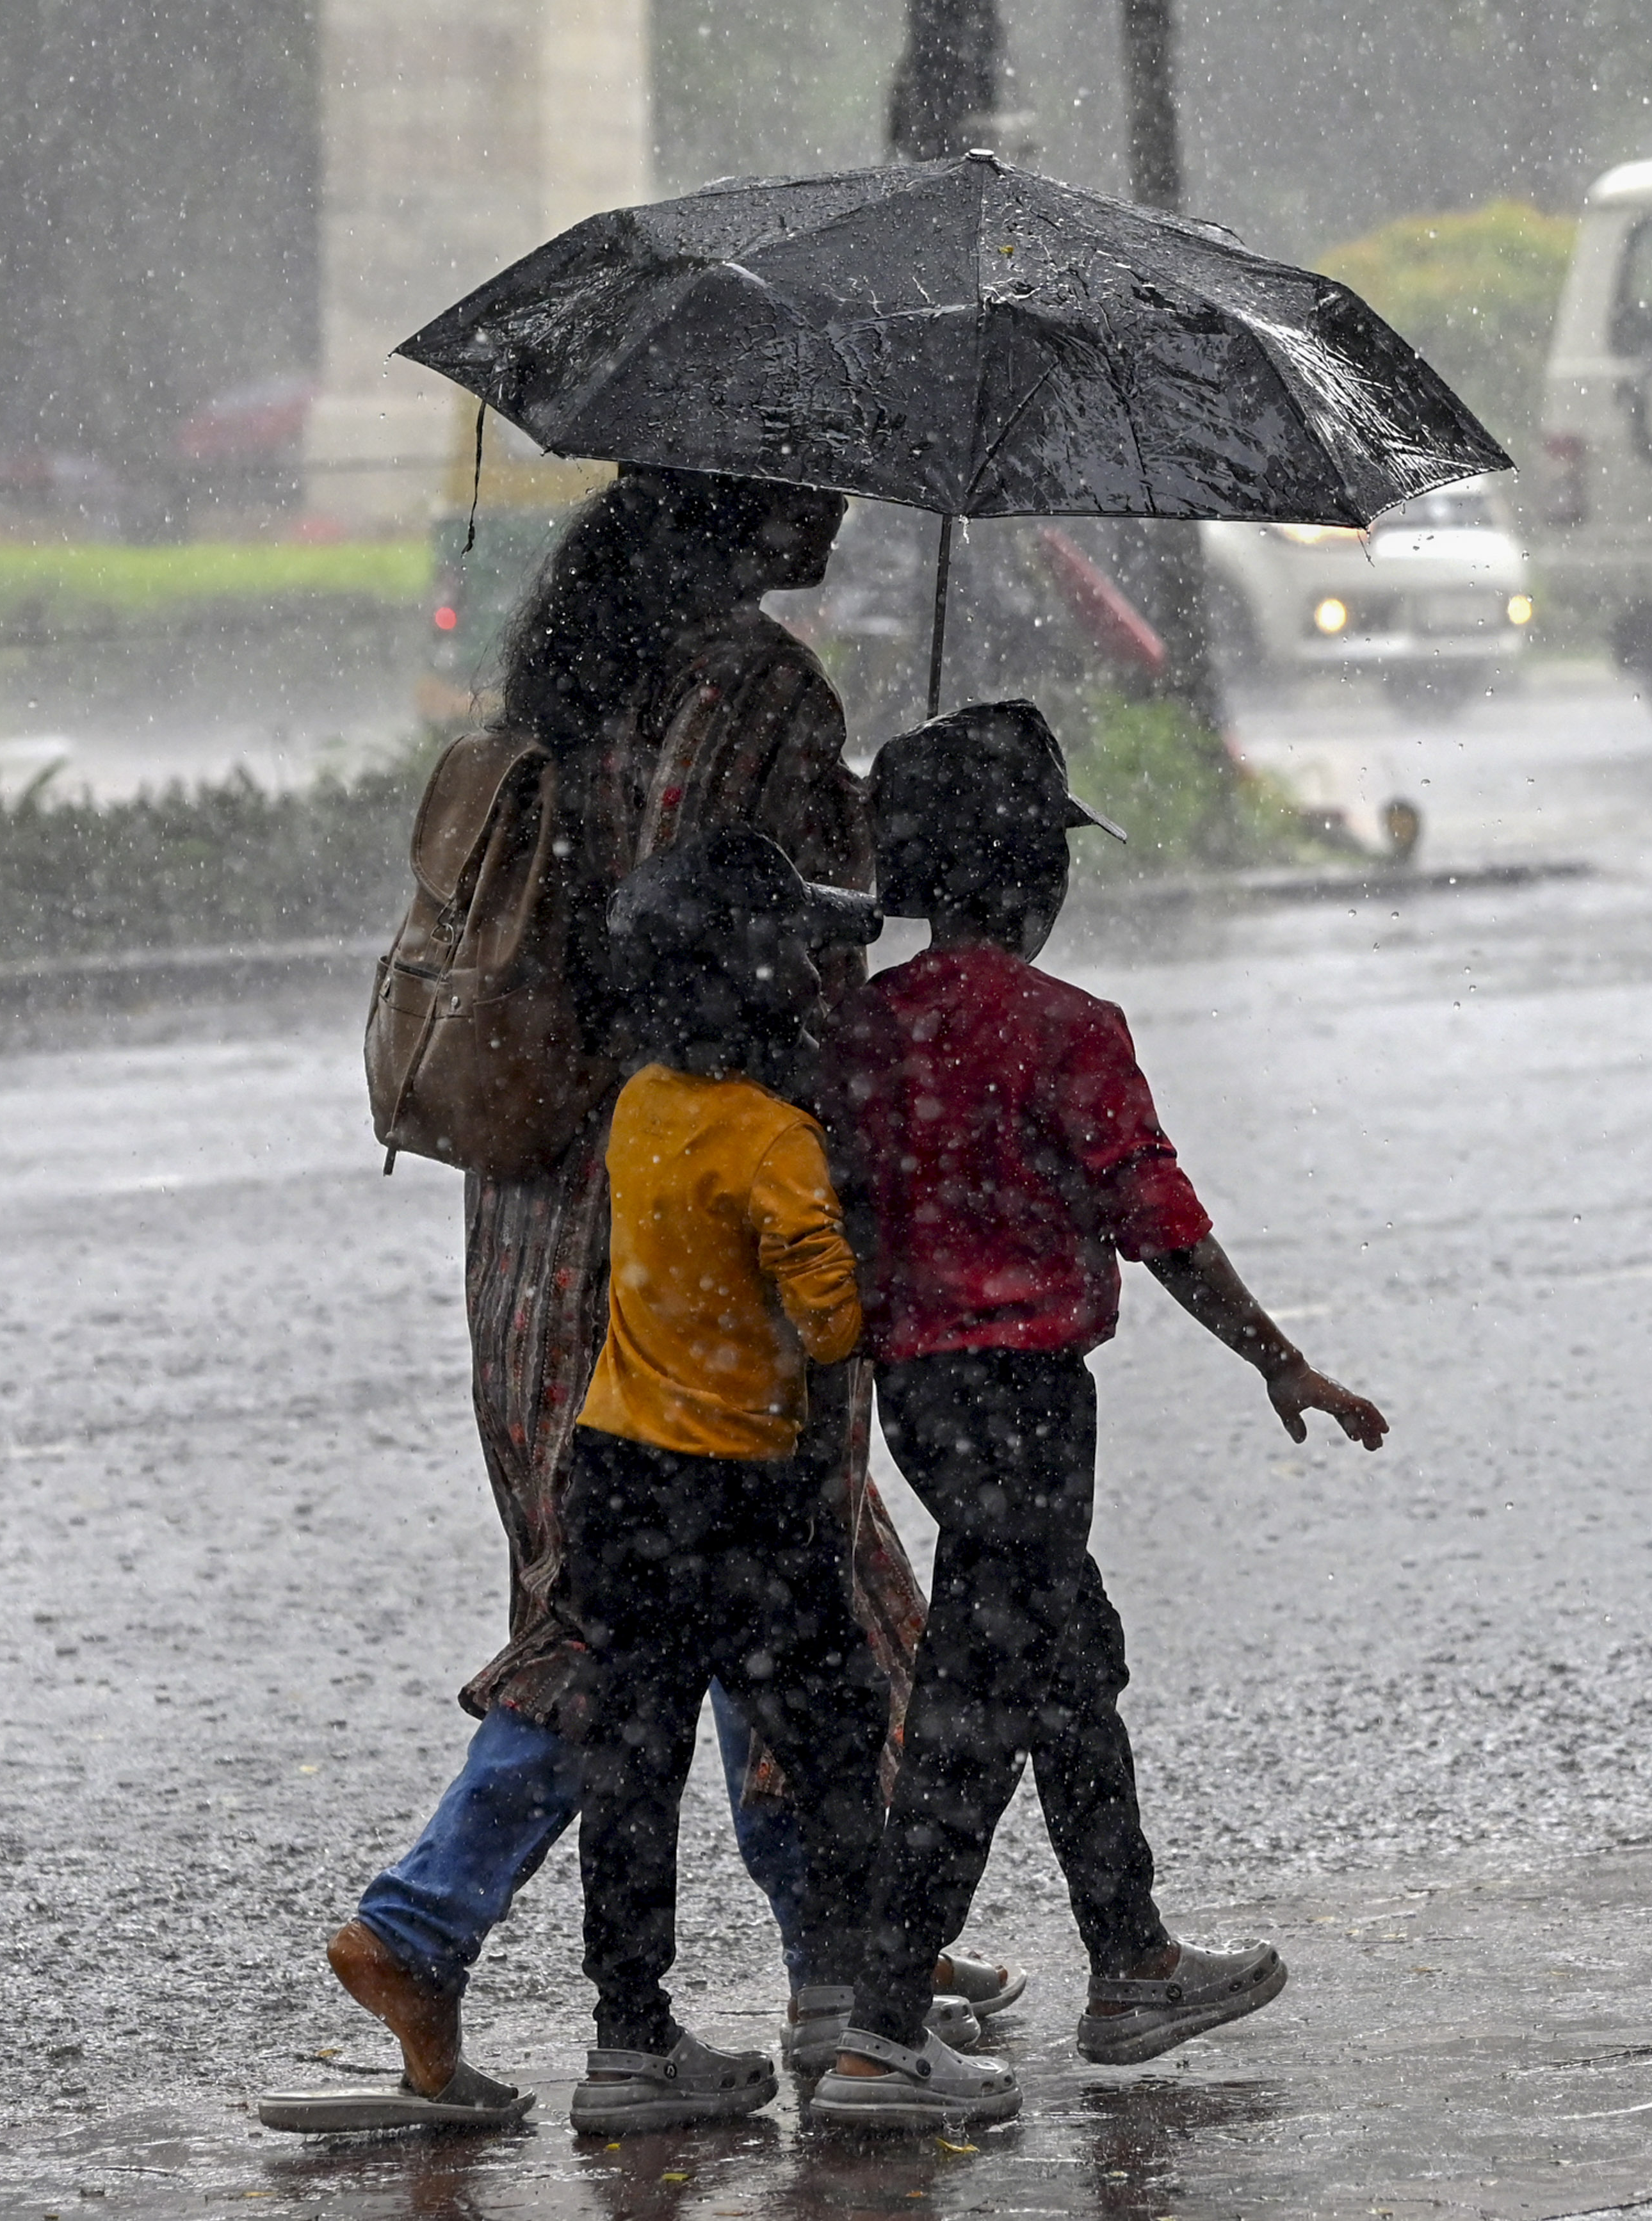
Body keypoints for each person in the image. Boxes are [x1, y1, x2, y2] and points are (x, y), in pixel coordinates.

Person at [278, 470, 1010, 2136]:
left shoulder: (573, 675)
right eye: (803, 473)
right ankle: (477, 1934)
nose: (837, 499)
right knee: (720, 1594)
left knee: (701, 1591)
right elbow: (780, 954)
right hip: (687, 1216)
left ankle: (868, 1953)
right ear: (735, 498)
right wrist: (889, 856)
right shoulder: (756, 686)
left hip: (538, 1209)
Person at [811, 701, 1390, 2131]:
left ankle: (1130, 1961)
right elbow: (1158, 1217)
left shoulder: (856, 1033)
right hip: (1029, 1399)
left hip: (920, 1399)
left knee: (1067, 1651)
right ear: (1035, 878)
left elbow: (841, 1209)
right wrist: (1277, 1357)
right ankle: (884, 2028)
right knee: (979, 1694)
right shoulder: (1071, 1029)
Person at [560, 824, 891, 2129]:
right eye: (803, 954)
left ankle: (629, 2043)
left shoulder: (642, 1104)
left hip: (614, 1479)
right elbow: (833, 1329)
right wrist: (853, 1214)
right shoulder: (773, 1142)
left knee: (635, 1766)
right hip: (738, 1496)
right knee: (831, 1732)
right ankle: (844, 2006)